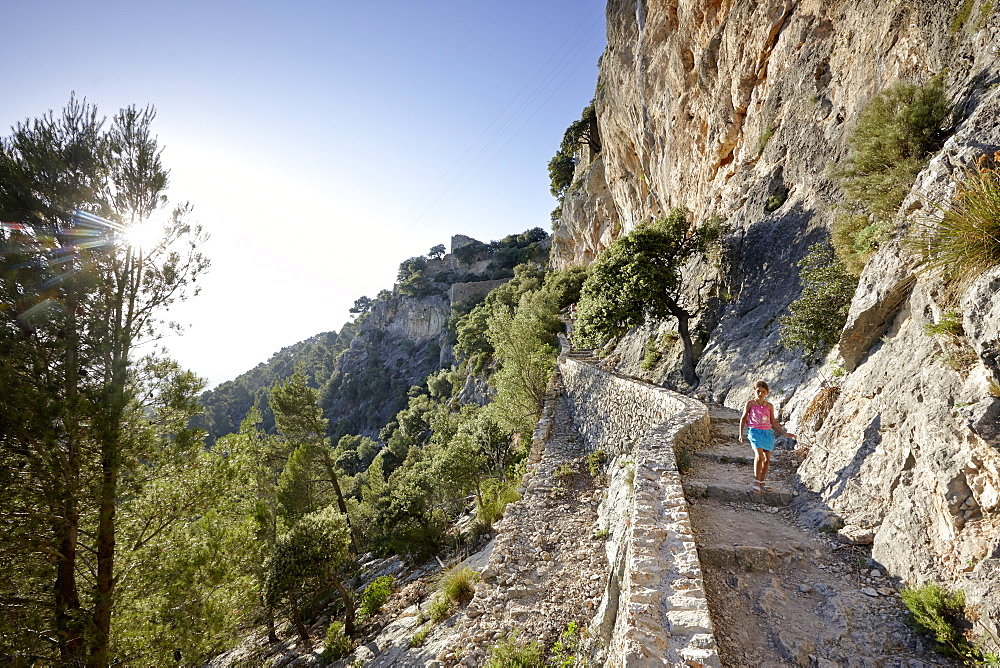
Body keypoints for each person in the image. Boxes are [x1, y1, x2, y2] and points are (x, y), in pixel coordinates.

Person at [739, 380, 795, 492]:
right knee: (759, 456)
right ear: (754, 391)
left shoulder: (769, 406)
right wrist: (741, 433)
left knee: (767, 459)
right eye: (758, 391)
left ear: (767, 393)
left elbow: (773, 422)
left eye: (763, 392)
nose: (760, 394)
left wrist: (784, 433)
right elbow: (744, 418)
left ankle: (762, 481)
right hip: (755, 432)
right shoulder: (750, 403)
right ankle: (756, 481)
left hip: (767, 433)